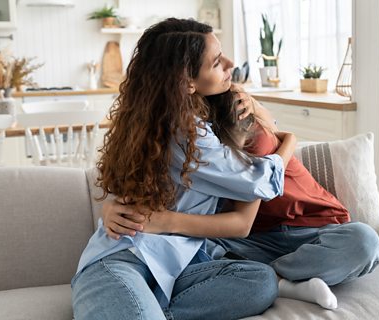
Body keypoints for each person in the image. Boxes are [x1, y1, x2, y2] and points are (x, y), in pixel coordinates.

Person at [71, 18, 298, 320]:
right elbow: (258, 180)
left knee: (259, 281)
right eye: (217, 62)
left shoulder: (166, 122)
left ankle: (148, 308)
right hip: (124, 261)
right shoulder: (184, 131)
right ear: (187, 81)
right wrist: (291, 142)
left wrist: (255, 107)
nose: (230, 64)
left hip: (180, 268)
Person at [103, 89, 379, 310]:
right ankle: (284, 278)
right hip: (250, 243)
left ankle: (278, 278)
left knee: (363, 241)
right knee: (182, 250)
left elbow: (247, 206)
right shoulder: (189, 138)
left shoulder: (242, 119)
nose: (226, 67)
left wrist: (284, 136)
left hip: (314, 229)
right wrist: (112, 207)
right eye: (216, 63)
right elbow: (155, 185)